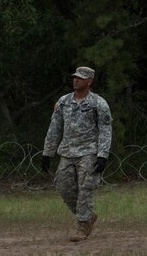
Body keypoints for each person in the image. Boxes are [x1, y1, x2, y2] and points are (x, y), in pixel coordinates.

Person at [41, 66, 113, 242]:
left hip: (89, 152)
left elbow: (105, 130)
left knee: (85, 188)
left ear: (89, 81)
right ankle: (87, 215)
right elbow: (54, 128)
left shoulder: (98, 103)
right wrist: (47, 153)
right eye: (75, 77)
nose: (76, 80)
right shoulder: (63, 102)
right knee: (63, 186)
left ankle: (82, 225)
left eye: (80, 78)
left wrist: (103, 154)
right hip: (67, 151)